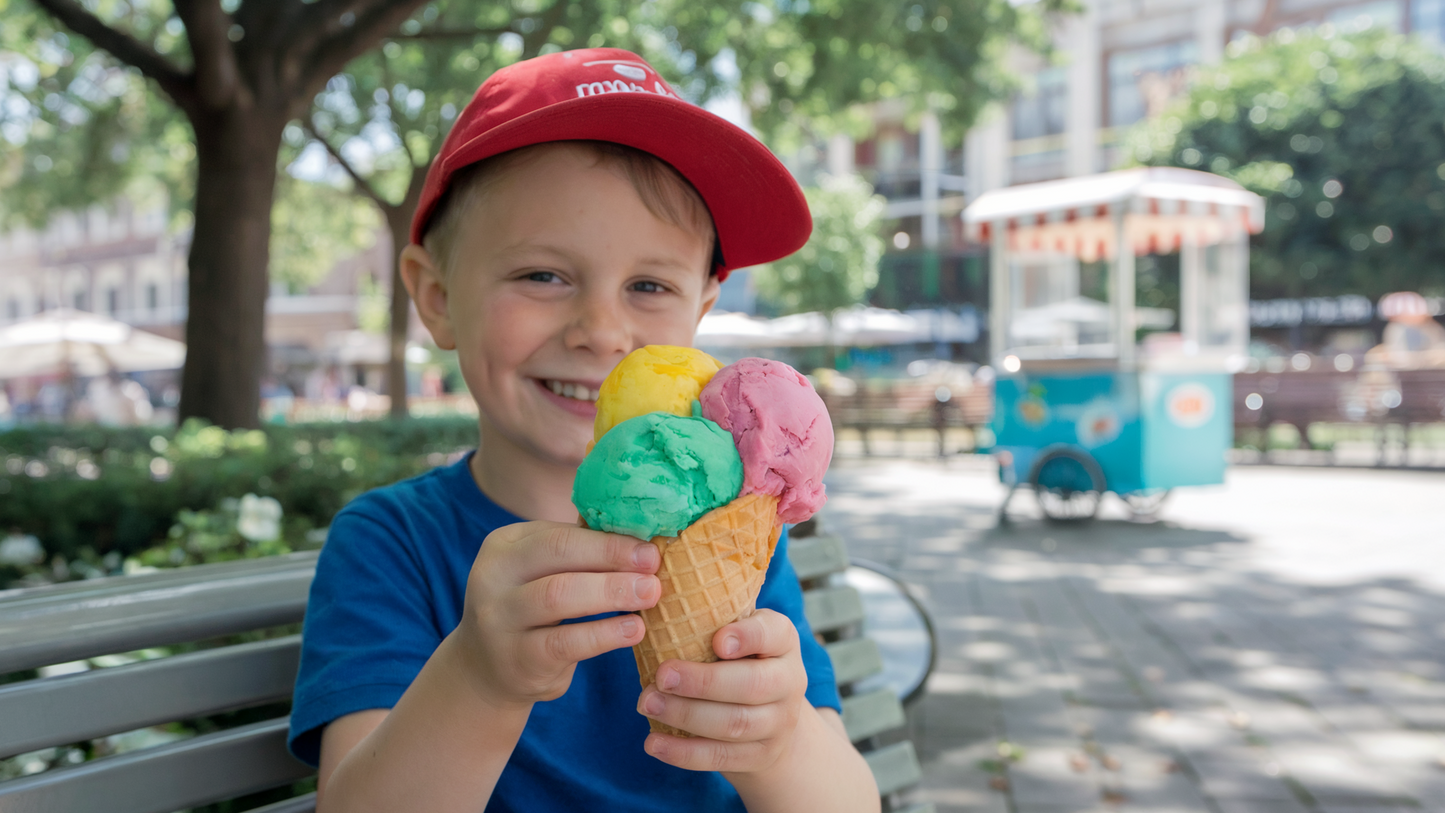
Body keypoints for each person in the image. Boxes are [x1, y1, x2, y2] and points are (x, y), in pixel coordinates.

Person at [288, 48, 880, 813]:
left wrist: (782, 740)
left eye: (648, 285)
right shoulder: (391, 543)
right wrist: (477, 678)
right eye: (542, 275)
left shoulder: (739, 535)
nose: (602, 331)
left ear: (700, 308)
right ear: (435, 297)